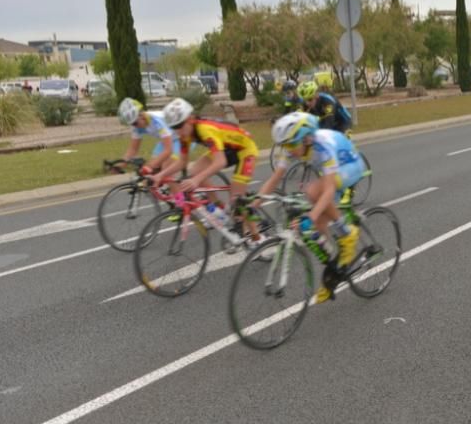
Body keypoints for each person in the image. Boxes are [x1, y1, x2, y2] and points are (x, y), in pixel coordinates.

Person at [257, 112, 364, 304]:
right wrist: (254, 202)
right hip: (333, 172)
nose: (287, 150)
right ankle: (335, 269)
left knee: (314, 192)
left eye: (291, 145)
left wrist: (311, 215)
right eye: (284, 146)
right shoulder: (293, 145)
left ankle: (348, 234)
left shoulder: (322, 145)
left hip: (350, 165)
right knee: (318, 228)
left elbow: (329, 189)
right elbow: (275, 178)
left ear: (306, 138)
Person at [151, 98, 258, 226]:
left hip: (245, 149)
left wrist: (196, 180)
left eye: (179, 126)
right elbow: (182, 162)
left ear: (190, 119)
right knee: (194, 171)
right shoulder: (185, 135)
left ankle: (256, 238)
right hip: (226, 148)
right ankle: (218, 209)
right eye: (174, 127)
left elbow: (220, 162)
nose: (177, 131)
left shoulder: (205, 129)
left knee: (238, 201)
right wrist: (160, 175)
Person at [116, 98, 180, 174]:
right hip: (168, 140)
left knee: (165, 169)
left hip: (182, 138)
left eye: (135, 123)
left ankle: (181, 186)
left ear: (141, 115)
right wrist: (119, 166)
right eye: (132, 124)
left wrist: (149, 166)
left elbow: (168, 150)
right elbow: (133, 150)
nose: (135, 126)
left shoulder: (157, 121)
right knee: (152, 171)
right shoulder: (137, 126)